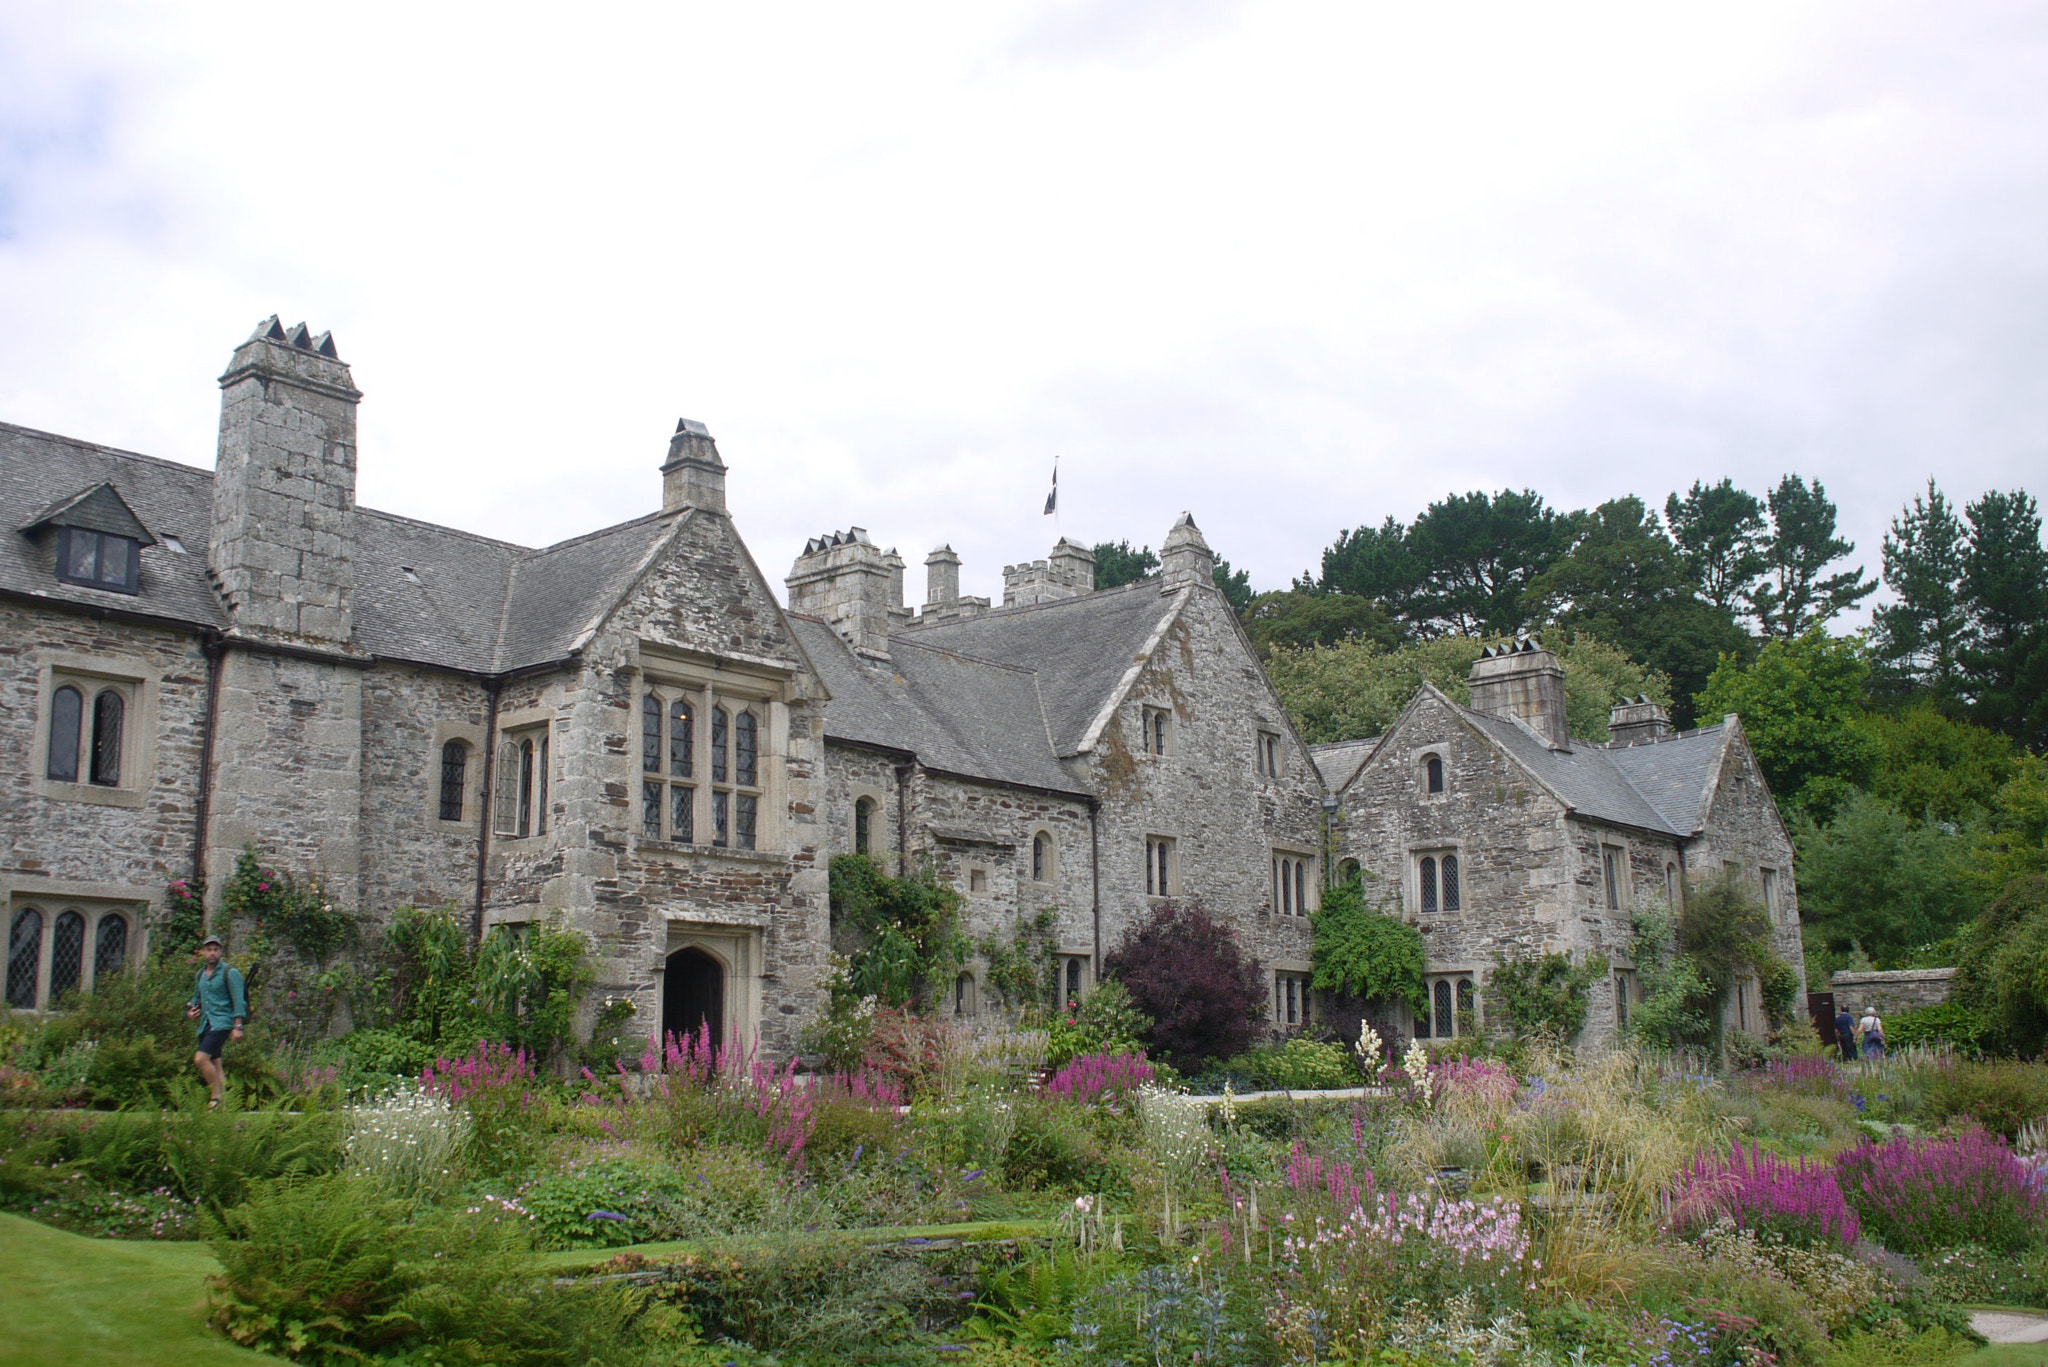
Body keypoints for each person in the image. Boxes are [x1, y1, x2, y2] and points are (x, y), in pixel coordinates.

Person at [186, 935, 247, 1108]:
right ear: (203, 952)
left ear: (220, 951)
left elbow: (238, 999)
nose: (212, 953)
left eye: (215, 949)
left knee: (200, 1059)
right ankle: (225, 1106)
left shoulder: (230, 972)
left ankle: (216, 1098)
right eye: (209, 950)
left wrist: (238, 1026)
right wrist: (191, 1011)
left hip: (222, 1023)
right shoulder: (201, 974)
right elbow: (196, 998)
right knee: (216, 1062)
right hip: (206, 1023)